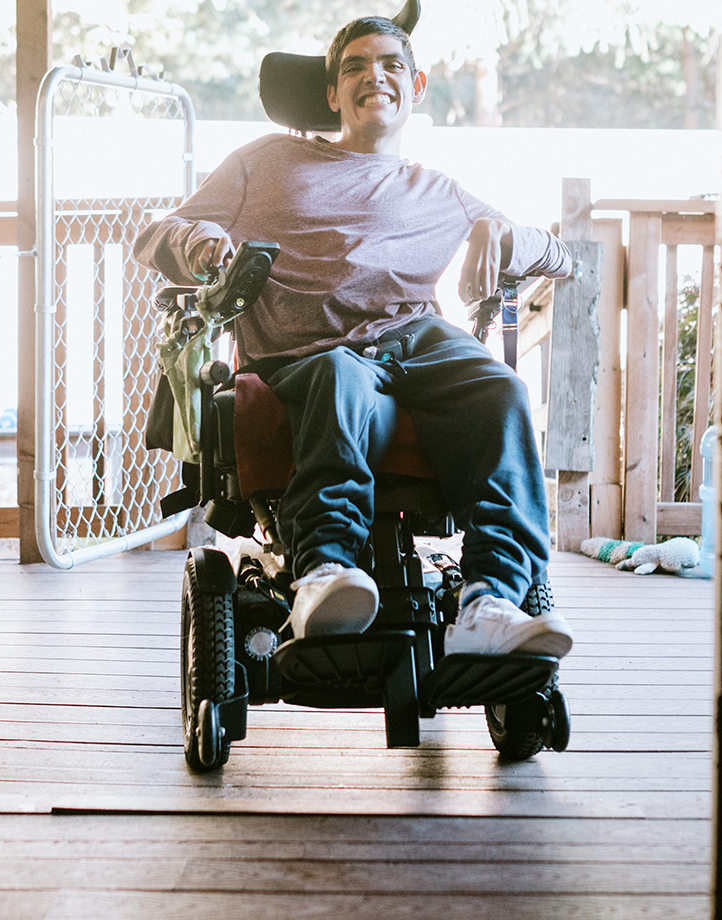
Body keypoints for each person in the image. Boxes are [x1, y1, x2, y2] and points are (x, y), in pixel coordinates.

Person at [134, 11, 574, 659]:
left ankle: (492, 599)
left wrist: (503, 235)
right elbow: (155, 237)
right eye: (355, 67)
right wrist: (200, 242)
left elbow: (561, 257)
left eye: (392, 64)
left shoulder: (436, 190)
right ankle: (323, 572)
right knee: (341, 377)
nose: (376, 76)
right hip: (307, 349)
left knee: (500, 390)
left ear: (416, 85)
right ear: (333, 94)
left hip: (416, 339)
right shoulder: (265, 162)